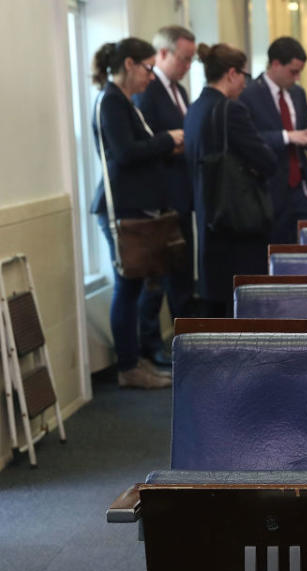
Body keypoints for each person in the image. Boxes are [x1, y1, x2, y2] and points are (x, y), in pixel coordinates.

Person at [90, 37, 184, 389]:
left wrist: (164, 143)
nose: (150, 75)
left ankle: (137, 360)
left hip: (138, 206)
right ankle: (129, 366)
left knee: (137, 286)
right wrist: (167, 139)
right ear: (129, 64)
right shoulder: (111, 102)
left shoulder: (124, 101)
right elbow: (126, 153)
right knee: (127, 288)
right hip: (121, 209)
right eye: (147, 68)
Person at [184, 43, 277, 317]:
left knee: (216, 304)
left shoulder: (195, 108)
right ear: (232, 73)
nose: (245, 85)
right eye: (244, 77)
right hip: (237, 218)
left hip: (208, 215)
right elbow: (266, 160)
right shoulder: (230, 111)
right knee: (242, 304)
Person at [133, 25, 197, 369]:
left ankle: (183, 337)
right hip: (159, 194)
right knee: (157, 276)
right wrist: (172, 143)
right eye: (184, 59)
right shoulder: (148, 90)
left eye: (191, 60)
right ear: (163, 54)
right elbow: (150, 142)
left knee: (181, 270)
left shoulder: (181, 91)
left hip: (182, 191)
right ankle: (150, 344)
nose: (188, 65)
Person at [238, 37, 307, 245]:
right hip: (269, 189)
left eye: (300, 72)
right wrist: (286, 137)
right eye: (293, 72)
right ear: (275, 64)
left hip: (300, 188)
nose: (297, 78)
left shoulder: (298, 94)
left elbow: (305, 130)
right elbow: (248, 140)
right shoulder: (249, 94)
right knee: (276, 251)